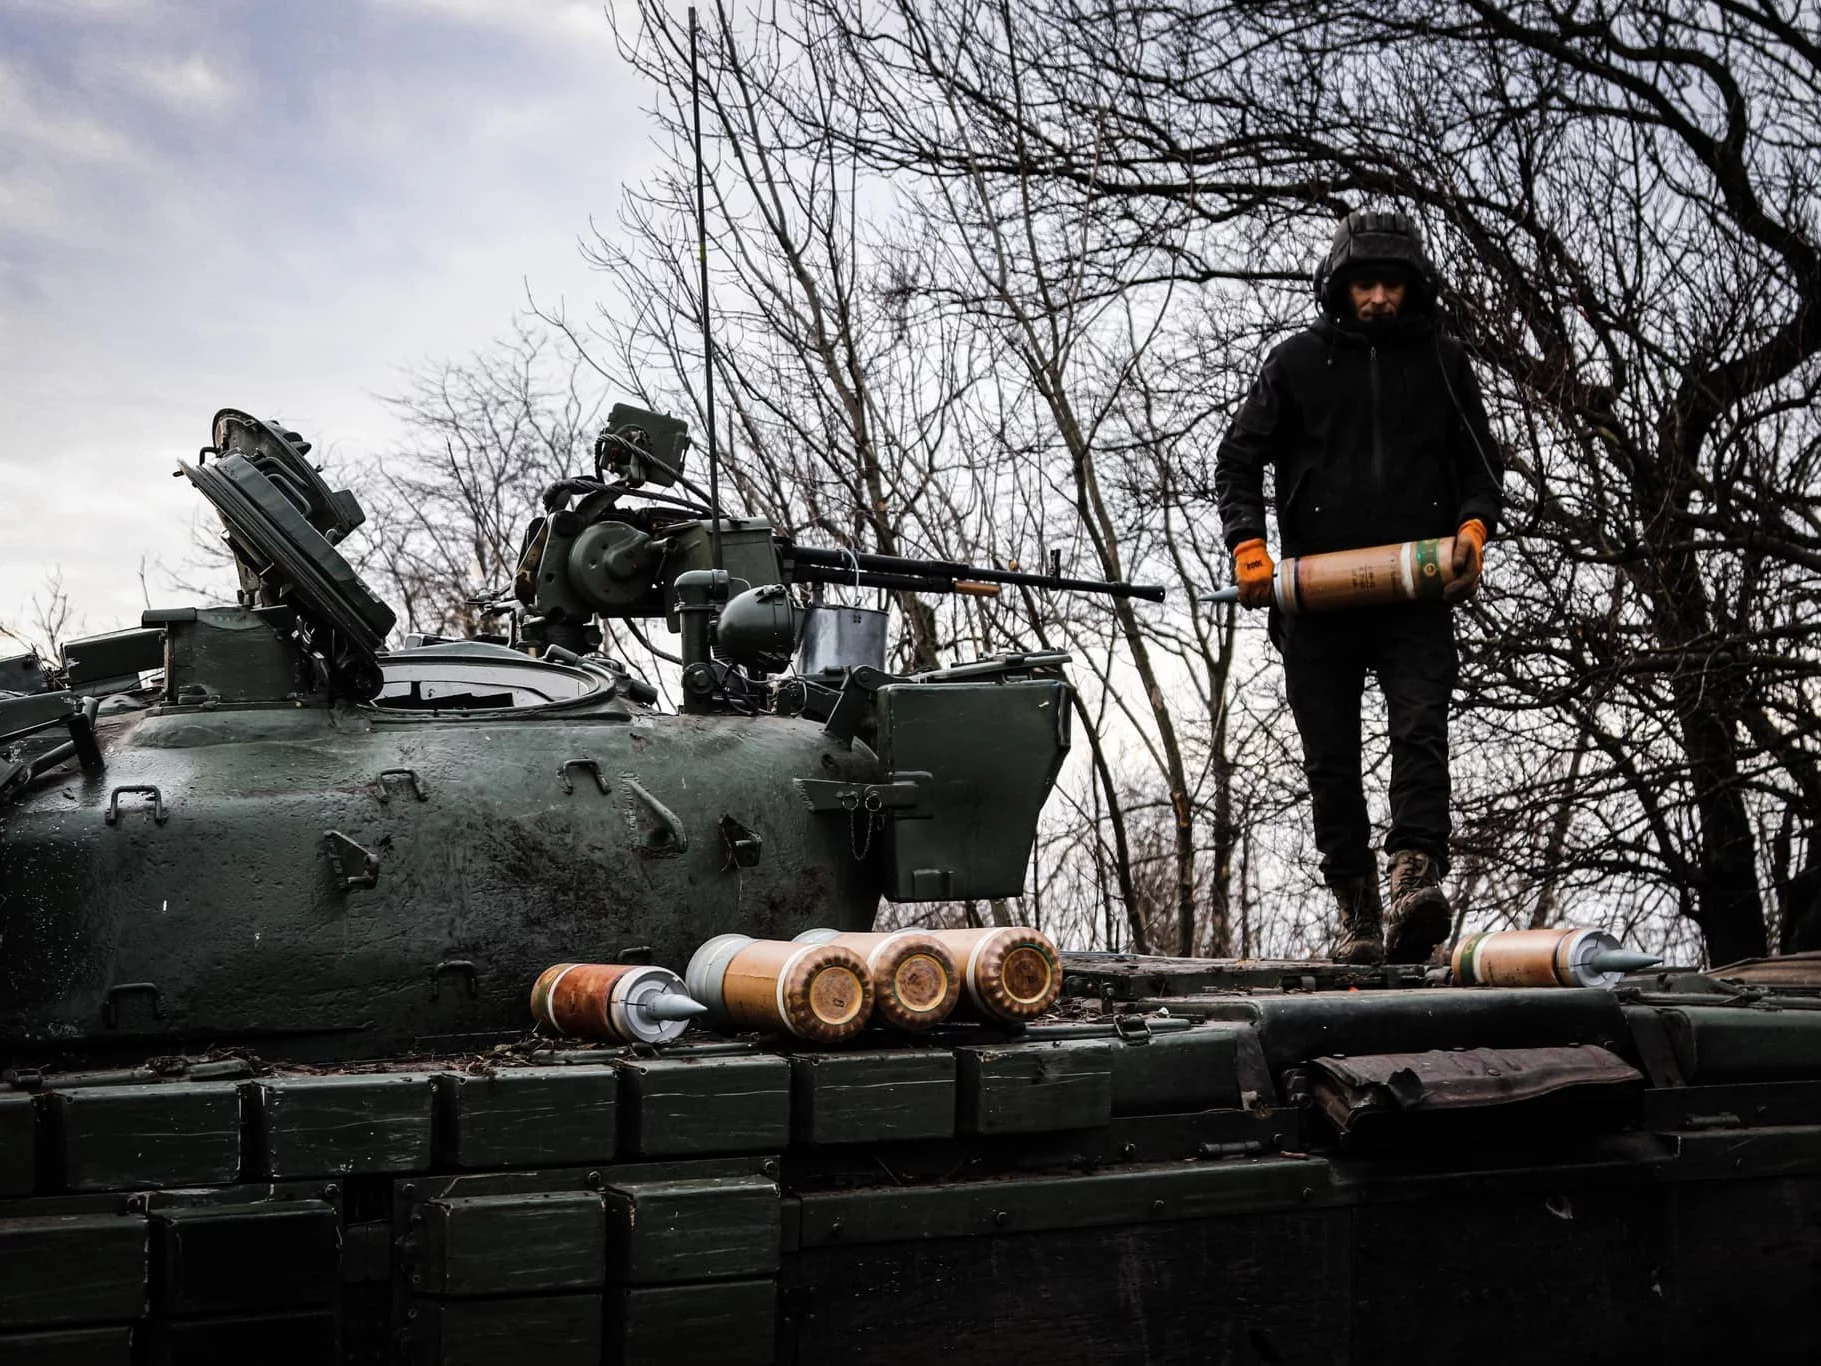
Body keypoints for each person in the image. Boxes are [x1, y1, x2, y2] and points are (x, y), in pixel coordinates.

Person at [1214, 210, 1503, 965]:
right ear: (1340, 287)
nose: (1378, 298)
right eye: (1365, 284)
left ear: (1413, 288)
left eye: (1391, 284)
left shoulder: (1444, 363)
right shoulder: (1295, 364)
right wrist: (1248, 545)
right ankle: (1355, 906)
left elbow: (1481, 469)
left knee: (1419, 732)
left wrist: (1472, 531)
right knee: (1330, 759)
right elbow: (1237, 458)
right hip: (1316, 598)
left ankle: (1414, 874)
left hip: (1416, 592)